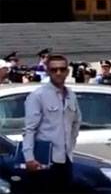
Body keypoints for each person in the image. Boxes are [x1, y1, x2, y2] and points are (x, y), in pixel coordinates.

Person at [22, 54, 82, 193]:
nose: (58, 73)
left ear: (67, 71)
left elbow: (76, 121)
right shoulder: (38, 96)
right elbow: (29, 129)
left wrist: (70, 145)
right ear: (48, 71)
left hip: (65, 159)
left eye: (62, 69)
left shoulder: (70, 94)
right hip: (44, 161)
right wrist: (29, 158)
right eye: (54, 70)